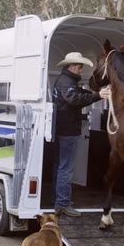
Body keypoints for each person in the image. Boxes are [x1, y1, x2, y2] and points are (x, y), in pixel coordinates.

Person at [52, 52, 110, 217]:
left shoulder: (65, 80)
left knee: (60, 166)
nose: (80, 69)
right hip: (68, 130)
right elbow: (75, 99)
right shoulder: (67, 82)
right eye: (78, 66)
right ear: (70, 66)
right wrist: (98, 95)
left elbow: (79, 94)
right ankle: (62, 204)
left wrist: (96, 94)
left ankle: (58, 200)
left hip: (61, 129)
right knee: (66, 168)